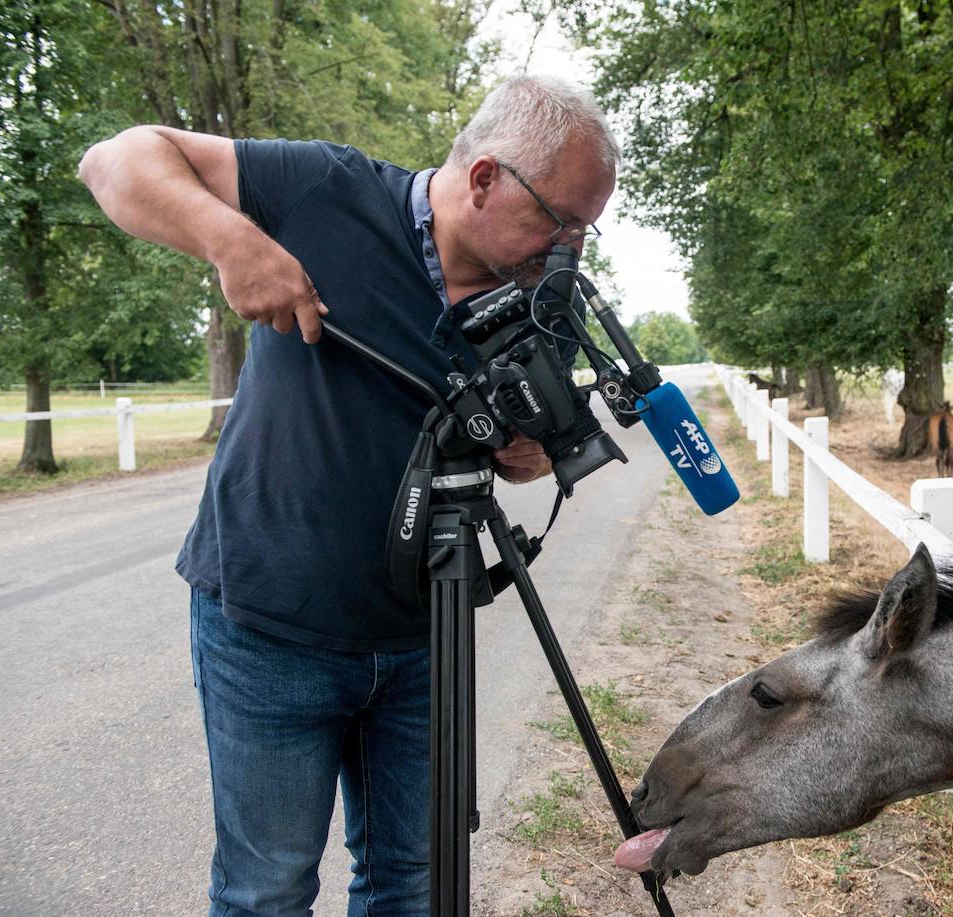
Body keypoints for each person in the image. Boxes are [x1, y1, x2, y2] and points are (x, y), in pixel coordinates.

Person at [78, 75, 620, 916]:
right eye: (562, 220)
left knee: (410, 882)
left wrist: (524, 455)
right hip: (270, 629)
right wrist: (232, 240)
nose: (572, 249)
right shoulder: (327, 190)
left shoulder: (533, 301)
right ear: (484, 179)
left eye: (586, 228)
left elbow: (523, 459)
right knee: (269, 890)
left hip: (422, 637)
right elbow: (114, 161)